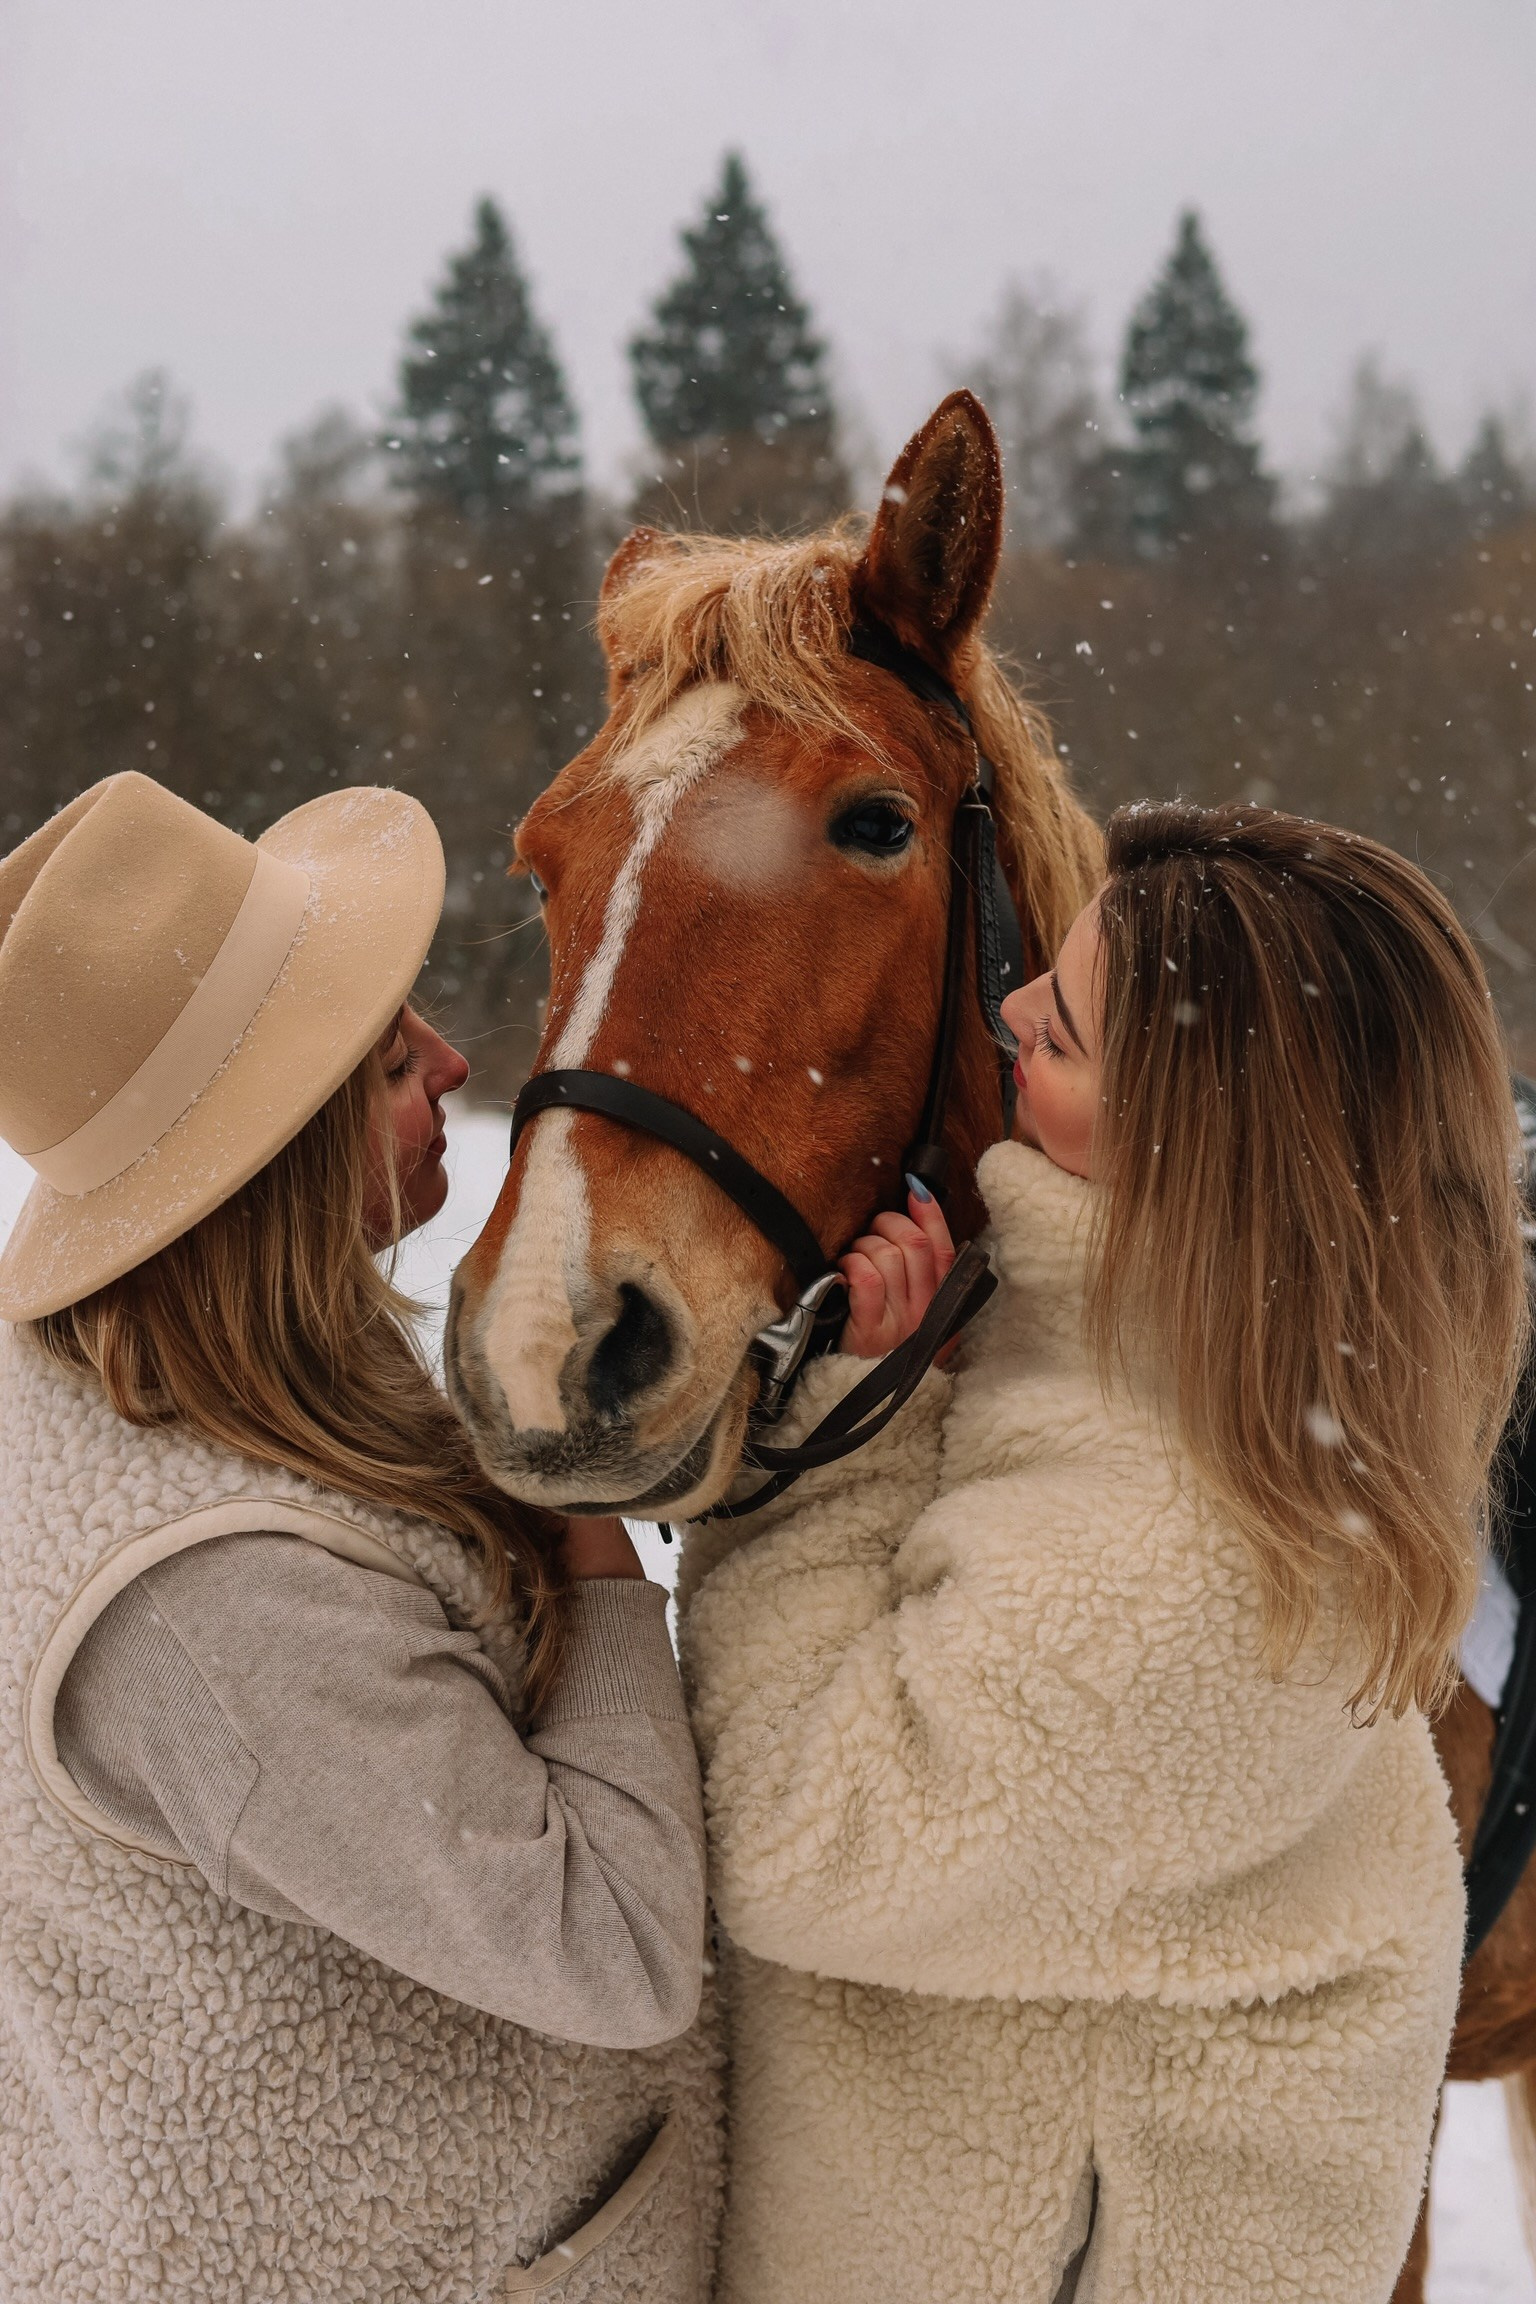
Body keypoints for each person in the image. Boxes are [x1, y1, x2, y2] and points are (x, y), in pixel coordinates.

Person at [679, 802, 1529, 2304]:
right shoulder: (1216, 1387)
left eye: (1059, 1036)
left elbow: (805, 1843)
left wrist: (821, 1466)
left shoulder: (1182, 1551)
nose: (1004, 1014)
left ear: (1186, 1140)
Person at [0, 772, 721, 2303]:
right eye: (397, 1063)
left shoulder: (200, 1353)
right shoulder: (217, 1612)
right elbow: (612, 1950)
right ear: (284, 1154)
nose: (457, 1065)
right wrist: (591, 1559)